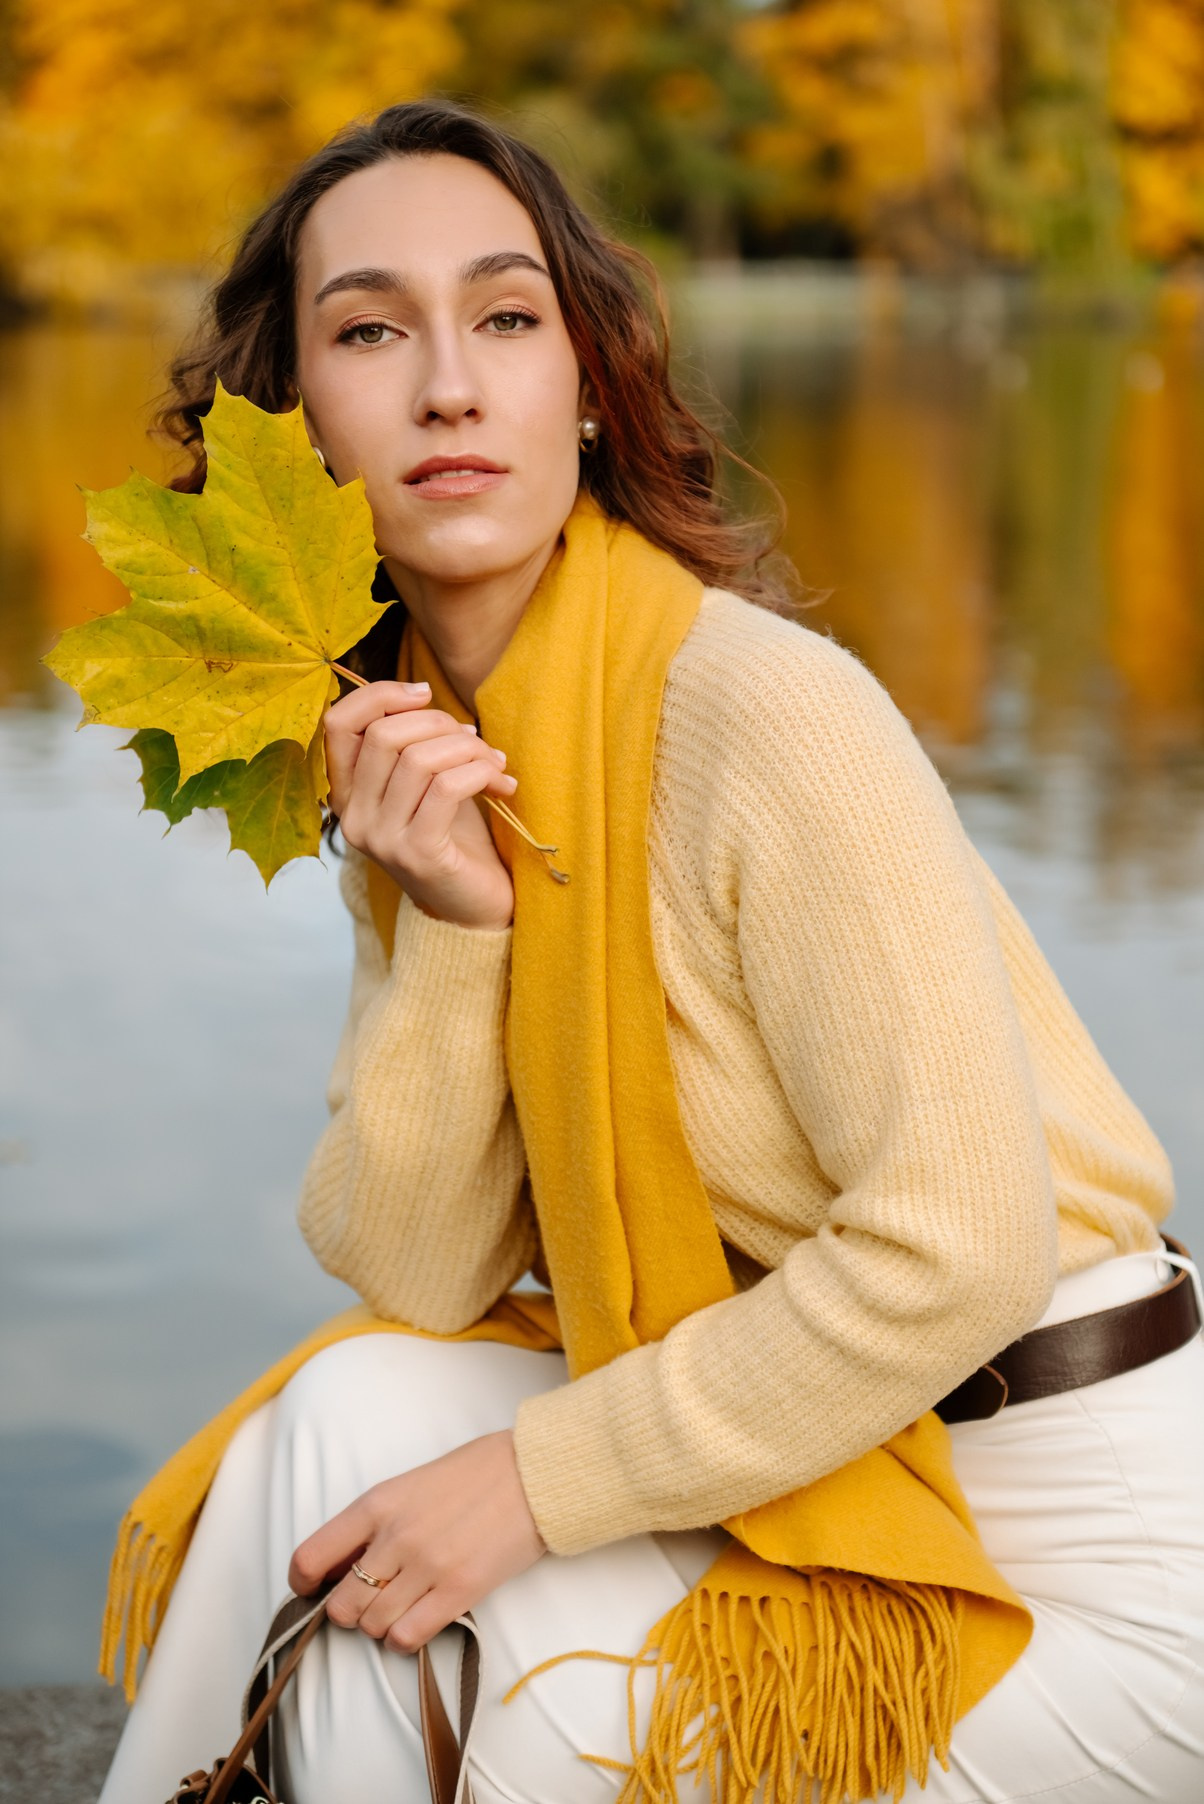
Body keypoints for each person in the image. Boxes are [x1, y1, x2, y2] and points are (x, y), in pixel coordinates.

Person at [97, 100, 1204, 1804]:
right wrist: (462, 930)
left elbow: (959, 1250)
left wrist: (534, 1485)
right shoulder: (423, 754)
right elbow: (414, 1276)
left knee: (401, 1658)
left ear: (591, 383)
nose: (448, 386)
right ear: (295, 419)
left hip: (1085, 1529)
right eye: (371, 331)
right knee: (344, 1418)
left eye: (507, 316)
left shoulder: (762, 712)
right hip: (815, 1460)